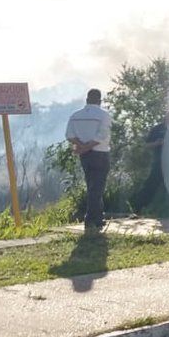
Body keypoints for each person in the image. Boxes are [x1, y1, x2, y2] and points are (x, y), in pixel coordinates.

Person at [66, 89, 112, 233]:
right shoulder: (104, 115)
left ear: (87, 100)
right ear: (99, 101)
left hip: (84, 156)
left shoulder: (75, 116)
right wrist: (87, 147)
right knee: (97, 188)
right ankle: (91, 219)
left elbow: (69, 135)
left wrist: (81, 147)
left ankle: (98, 217)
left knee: (92, 185)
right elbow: (102, 136)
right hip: (100, 154)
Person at [130, 109, 169, 212]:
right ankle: (138, 208)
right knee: (151, 185)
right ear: (166, 117)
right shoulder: (157, 129)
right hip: (159, 162)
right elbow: (146, 145)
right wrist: (157, 143)